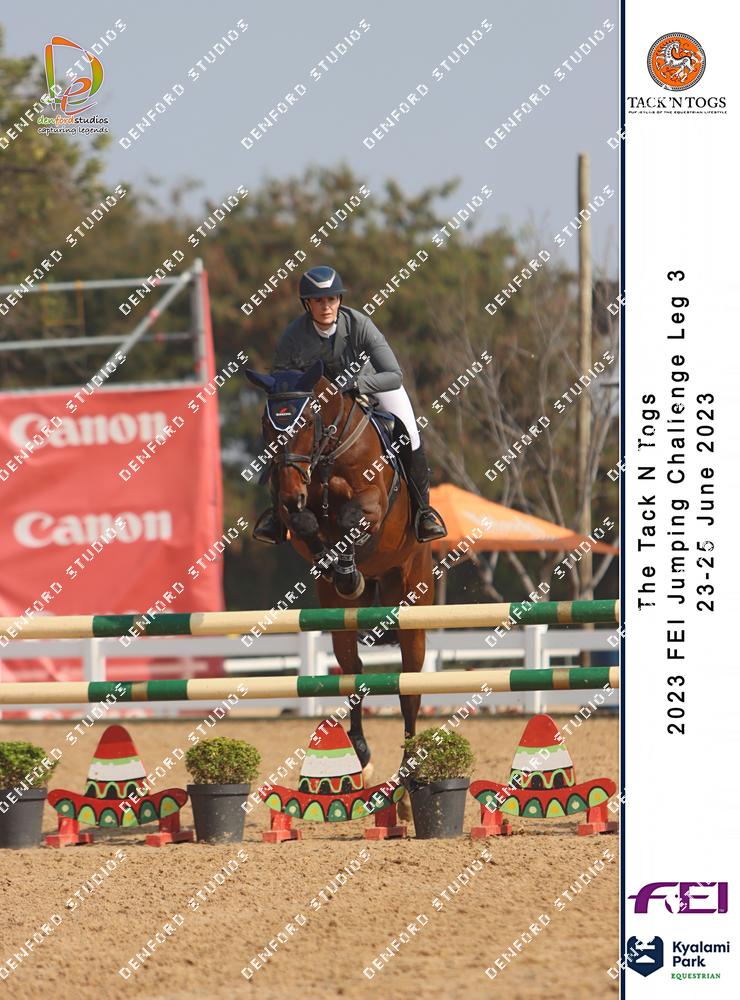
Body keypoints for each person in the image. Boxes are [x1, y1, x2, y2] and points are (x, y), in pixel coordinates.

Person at [252, 265, 447, 545]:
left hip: (371, 385)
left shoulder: (359, 325)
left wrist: (356, 384)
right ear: (307, 304)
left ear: (339, 300)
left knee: (410, 433)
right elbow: (283, 383)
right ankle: (276, 516)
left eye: (331, 299)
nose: (326, 306)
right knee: (283, 434)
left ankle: (423, 512)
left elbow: (394, 375)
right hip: (320, 401)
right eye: (318, 300)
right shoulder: (293, 335)